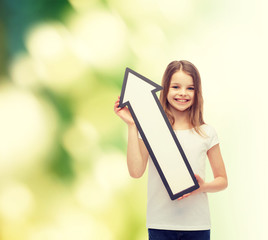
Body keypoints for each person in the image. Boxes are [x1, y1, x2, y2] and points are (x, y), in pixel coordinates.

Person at [114, 60, 228, 240]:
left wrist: (201, 187)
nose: (183, 93)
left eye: (190, 88)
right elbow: (136, 172)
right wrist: (132, 125)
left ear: (197, 92)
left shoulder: (207, 132)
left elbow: (222, 180)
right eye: (176, 86)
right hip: (160, 224)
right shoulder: (151, 130)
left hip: (197, 225)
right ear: (166, 89)